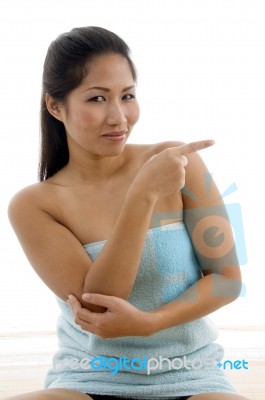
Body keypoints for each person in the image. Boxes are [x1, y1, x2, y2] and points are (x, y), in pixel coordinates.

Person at [6, 26, 250, 400]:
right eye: (98, 98)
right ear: (55, 106)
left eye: (128, 96)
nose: (118, 116)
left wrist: (152, 323)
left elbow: (227, 279)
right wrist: (143, 195)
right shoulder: (34, 204)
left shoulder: (179, 162)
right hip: (86, 380)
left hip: (190, 375)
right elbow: (98, 305)